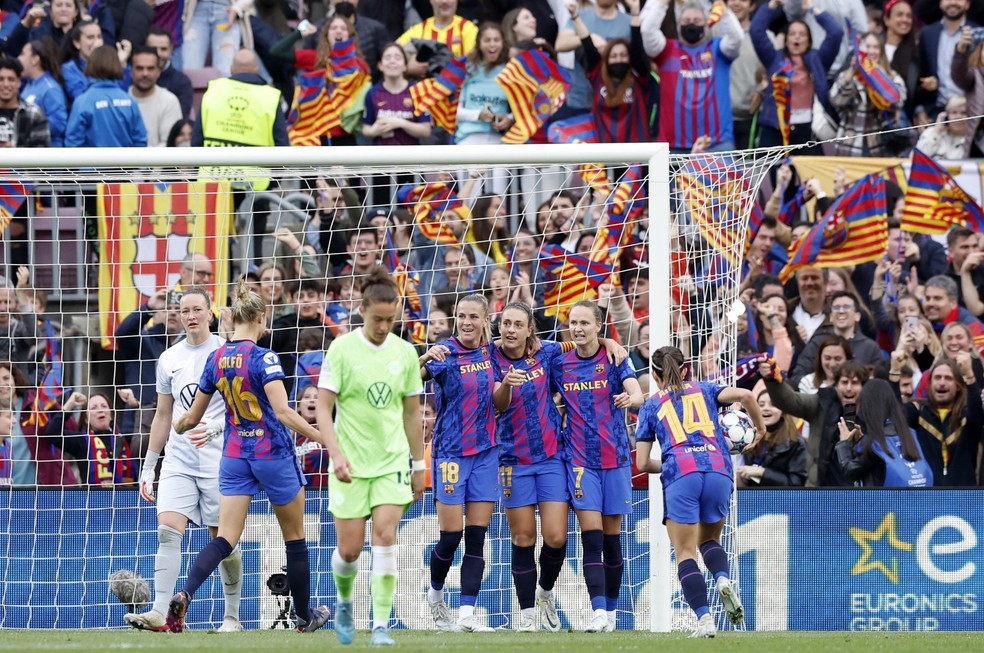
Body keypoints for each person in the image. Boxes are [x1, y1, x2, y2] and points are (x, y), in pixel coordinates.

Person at [168, 280, 330, 633]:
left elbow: (191, 418)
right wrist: (325, 438)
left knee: (224, 537)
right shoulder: (264, 358)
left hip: (235, 455)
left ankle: (184, 593)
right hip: (271, 453)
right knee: (295, 538)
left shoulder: (216, 357)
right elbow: (285, 413)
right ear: (259, 316)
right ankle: (305, 617)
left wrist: (178, 425)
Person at [314, 269, 425, 647]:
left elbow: (412, 413)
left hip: (392, 462)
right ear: (362, 310)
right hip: (350, 465)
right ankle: (344, 602)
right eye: (378, 319)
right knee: (349, 550)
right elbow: (323, 409)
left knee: (385, 537)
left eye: (391, 319)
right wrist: (336, 455)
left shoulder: (405, 352)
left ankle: (380, 626)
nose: (384, 326)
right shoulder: (342, 349)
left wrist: (418, 463)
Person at [124, 287, 243, 633]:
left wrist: (216, 428)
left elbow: (243, 409)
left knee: (224, 541)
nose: (190, 316)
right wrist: (149, 465)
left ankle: (232, 618)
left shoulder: (226, 353)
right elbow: (163, 415)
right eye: (184, 310)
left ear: (210, 313)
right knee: (167, 532)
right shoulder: (168, 358)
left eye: (197, 310)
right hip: (178, 461)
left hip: (220, 463)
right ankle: (161, 613)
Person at [635, 346, 764, 637]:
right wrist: (761, 428)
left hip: (682, 474)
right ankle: (721, 578)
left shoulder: (651, 405)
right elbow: (746, 396)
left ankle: (705, 620)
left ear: (654, 375)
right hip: (719, 469)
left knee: (684, 552)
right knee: (709, 539)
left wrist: (670, 462)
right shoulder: (706, 389)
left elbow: (642, 463)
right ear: (686, 370)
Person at [550, 300, 643, 632]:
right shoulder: (559, 363)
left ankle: (613, 613)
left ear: (598, 326)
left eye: (584, 323)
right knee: (591, 536)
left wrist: (629, 399)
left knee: (611, 539)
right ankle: (598, 611)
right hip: (578, 460)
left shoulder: (616, 358)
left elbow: (637, 393)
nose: (577, 328)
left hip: (615, 459)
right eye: (573, 322)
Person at [419, 293, 501, 632]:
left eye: (473, 316)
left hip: (486, 452)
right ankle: (435, 596)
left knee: (477, 537)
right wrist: (422, 356)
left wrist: (605, 343)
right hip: (451, 453)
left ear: (485, 320)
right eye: (461, 315)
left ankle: (467, 615)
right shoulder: (444, 352)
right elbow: (408, 379)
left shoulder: (493, 352)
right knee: (451, 536)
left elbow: (541, 348)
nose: (466, 322)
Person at [641, 0, 741, 151]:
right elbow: (648, 32)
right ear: (678, 24)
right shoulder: (667, 51)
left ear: (706, 25)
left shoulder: (718, 50)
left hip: (716, 144)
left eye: (697, 20)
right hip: (674, 146)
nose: (691, 24)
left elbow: (737, 38)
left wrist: (723, 10)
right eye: (687, 21)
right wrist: (662, 4)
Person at [760, 357, 870, 487]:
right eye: (844, 382)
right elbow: (789, 401)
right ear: (836, 385)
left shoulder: (872, 412)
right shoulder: (821, 404)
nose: (849, 388)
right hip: (820, 490)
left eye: (855, 383)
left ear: (864, 387)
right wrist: (772, 379)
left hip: (861, 492)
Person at [751, 0, 844, 152]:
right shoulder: (773, 58)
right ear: (786, 39)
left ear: (809, 41)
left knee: (810, 176)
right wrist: (773, 4)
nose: (797, 38)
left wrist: (812, 8)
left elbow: (836, 33)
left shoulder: (818, 60)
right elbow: (756, 31)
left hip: (809, 129)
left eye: (802, 34)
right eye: (792, 34)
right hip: (776, 127)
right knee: (775, 174)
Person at [571, 0, 652, 145]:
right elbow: (588, 46)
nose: (619, 59)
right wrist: (575, 17)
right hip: (605, 155)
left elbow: (638, 49)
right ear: (606, 59)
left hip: (636, 156)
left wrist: (634, 14)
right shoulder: (598, 75)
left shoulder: (638, 76)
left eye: (623, 55)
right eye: (613, 56)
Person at [835, 378, 933, 487]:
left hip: (887, 502)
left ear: (868, 408)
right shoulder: (910, 434)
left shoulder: (874, 443)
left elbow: (849, 472)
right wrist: (861, 443)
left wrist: (843, 443)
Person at [830, 31, 909, 157]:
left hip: (881, 147)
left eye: (876, 47)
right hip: (851, 146)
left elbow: (898, 102)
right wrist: (851, 72)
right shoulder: (849, 76)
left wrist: (877, 79)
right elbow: (836, 100)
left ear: (881, 51)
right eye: (867, 47)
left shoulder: (892, 77)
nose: (871, 51)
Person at [65, 45, 147, 147]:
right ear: (117, 65)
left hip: (93, 162)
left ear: (91, 65)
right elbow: (140, 140)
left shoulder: (83, 101)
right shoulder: (130, 101)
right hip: (125, 162)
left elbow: (73, 142)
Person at [737, 389, 807, 487]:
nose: (766, 408)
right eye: (761, 405)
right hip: (750, 499)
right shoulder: (747, 437)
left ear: (783, 410)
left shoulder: (797, 443)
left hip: (781, 500)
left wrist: (762, 472)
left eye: (773, 404)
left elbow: (796, 483)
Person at [128, 45, 182, 147]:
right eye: (139, 68)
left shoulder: (169, 101)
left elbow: (169, 144)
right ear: (131, 71)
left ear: (158, 72)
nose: (145, 73)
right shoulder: (120, 100)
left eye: (150, 68)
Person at [17, 38, 66, 147]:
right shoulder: (29, 86)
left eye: (23, 54)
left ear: (35, 59)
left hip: (47, 157)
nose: (18, 58)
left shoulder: (50, 89)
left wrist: (31, 121)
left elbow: (59, 124)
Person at [0, 57, 50, 149]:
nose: (6, 84)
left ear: (19, 82)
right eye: (1, 79)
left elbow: (42, 154)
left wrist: (14, 152)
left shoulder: (34, 113)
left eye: (11, 79)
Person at [144, 28, 193, 119]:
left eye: (163, 49)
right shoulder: (133, 78)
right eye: (153, 49)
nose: (158, 54)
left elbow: (180, 120)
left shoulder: (182, 82)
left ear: (171, 50)